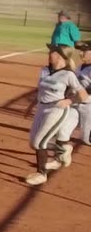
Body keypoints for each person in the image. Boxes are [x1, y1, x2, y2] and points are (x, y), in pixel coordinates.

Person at [23, 44, 89, 185]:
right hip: (41, 108)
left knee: (39, 142)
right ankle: (63, 149)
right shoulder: (45, 70)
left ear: (60, 55)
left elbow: (82, 95)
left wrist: (69, 100)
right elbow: (41, 90)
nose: (49, 53)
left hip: (56, 110)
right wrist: (32, 105)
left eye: (52, 52)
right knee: (32, 142)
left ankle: (41, 174)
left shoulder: (68, 74)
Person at [77, 43, 91, 146]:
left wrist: (82, 91)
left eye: (84, 51)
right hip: (78, 102)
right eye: (81, 51)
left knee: (86, 138)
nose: (81, 53)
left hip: (88, 104)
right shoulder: (80, 67)